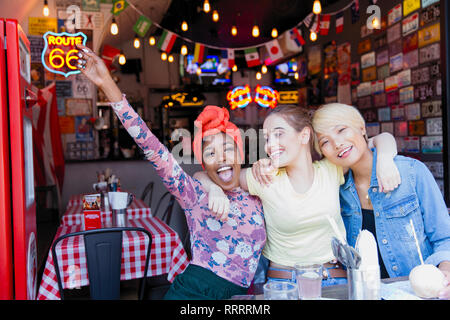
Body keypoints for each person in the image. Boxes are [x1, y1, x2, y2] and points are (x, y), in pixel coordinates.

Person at [75, 44, 266, 300]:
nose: (220, 158)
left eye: (228, 149)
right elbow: (149, 144)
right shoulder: (194, 193)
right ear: (203, 163)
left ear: (241, 155)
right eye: (210, 153)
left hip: (242, 297)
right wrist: (107, 84)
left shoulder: (258, 189)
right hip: (195, 293)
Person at [195, 105, 400, 286]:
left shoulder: (331, 170)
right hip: (284, 283)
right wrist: (214, 190)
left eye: (278, 134)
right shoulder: (264, 178)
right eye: (267, 138)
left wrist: (384, 159)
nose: (269, 145)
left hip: (334, 279)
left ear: (304, 135)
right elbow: (204, 175)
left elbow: (378, 140)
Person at [312, 103, 450, 299]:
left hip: (418, 293)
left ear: (361, 128)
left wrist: (446, 272)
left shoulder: (411, 172)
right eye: (325, 141)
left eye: (342, 130)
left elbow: (445, 238)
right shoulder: (335, 189)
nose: (337, 143)